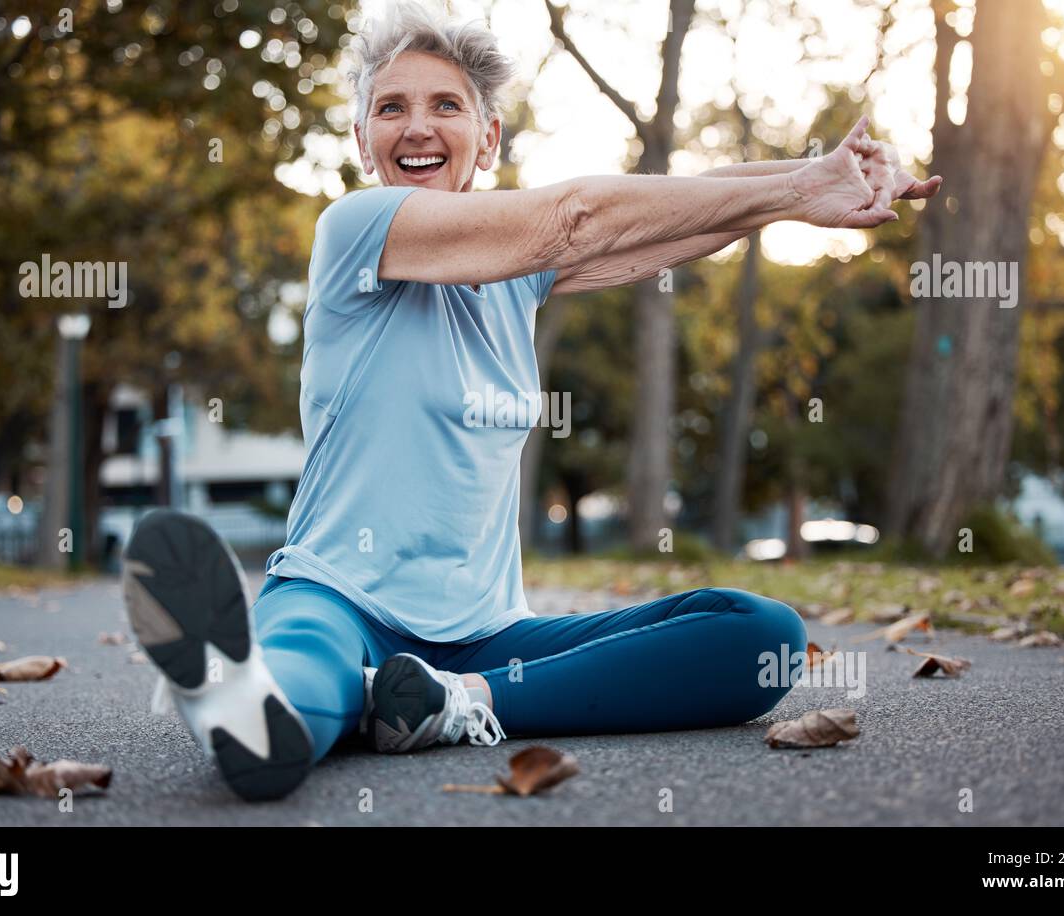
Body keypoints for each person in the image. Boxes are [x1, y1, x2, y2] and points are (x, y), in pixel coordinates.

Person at [121, 0, 941, 802]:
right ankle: (254, 707)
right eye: (390, 108)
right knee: (307, 660)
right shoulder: (357, 230)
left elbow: (675, 212)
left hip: (486, 635)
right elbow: (575, 218)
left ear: (489, 138)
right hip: (339, 593)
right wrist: (796, 188)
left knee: (761, 635)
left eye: (447, 106)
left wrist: (813, 185)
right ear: (363, 140)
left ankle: (456, 700)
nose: (416, 127)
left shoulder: (518, 278)